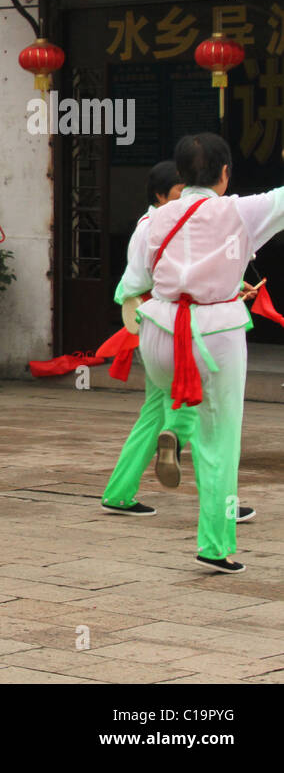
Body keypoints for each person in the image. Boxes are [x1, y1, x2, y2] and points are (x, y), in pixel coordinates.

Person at [120, 132, 284, 573]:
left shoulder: (151, 219)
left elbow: (133, 283)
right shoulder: (240, 210)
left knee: (170, 393)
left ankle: (176, 429)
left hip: (159, 330)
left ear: (180, 173)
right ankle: (215, 544)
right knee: (221, 441)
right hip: (215, 331)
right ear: (225, 172)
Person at [101, 161, 199, 515]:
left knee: (152, 415)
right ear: (160, 195)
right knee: (199, 410)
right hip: (173, 326)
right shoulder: (155, 227)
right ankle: (222, 506)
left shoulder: (151, 224)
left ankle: (119, 491)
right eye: (179, 190)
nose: (186, 196)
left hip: (153, 327)